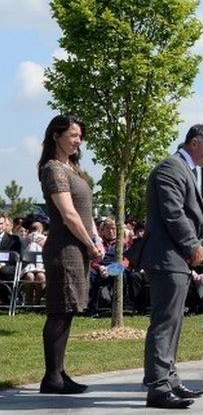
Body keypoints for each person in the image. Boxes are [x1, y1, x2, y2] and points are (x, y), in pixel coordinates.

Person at [142, 124, 203, 409]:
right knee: (165, 323)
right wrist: (192, 245)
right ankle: (159, 387)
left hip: (175, 259)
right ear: (194, 143)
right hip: (168, 257)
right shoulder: (171, 169)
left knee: (173, 322)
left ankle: (170, 380)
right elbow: (173, 212)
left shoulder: (187, 170)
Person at [37, 115, 105, 394]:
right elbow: (69, 214)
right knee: (59, 311)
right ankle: (51, 377)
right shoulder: (53, 169)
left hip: (78, 248)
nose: (78, 141)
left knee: (68, 312)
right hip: (64, 249)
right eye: (73, 135)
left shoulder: (74, 169)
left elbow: (86, 214)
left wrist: (96, 239)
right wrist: (90, 243)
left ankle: (59, 373)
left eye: (80, 136)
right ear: (56, 135)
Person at [20, 221, 47, 306]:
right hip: (29, 267)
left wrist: (45, 244)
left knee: (40, 276)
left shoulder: (46, 240)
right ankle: (29, 301)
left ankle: (37, 301)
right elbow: (22, 255)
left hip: (42, 267)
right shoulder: (25, 240)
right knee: (30, 276)